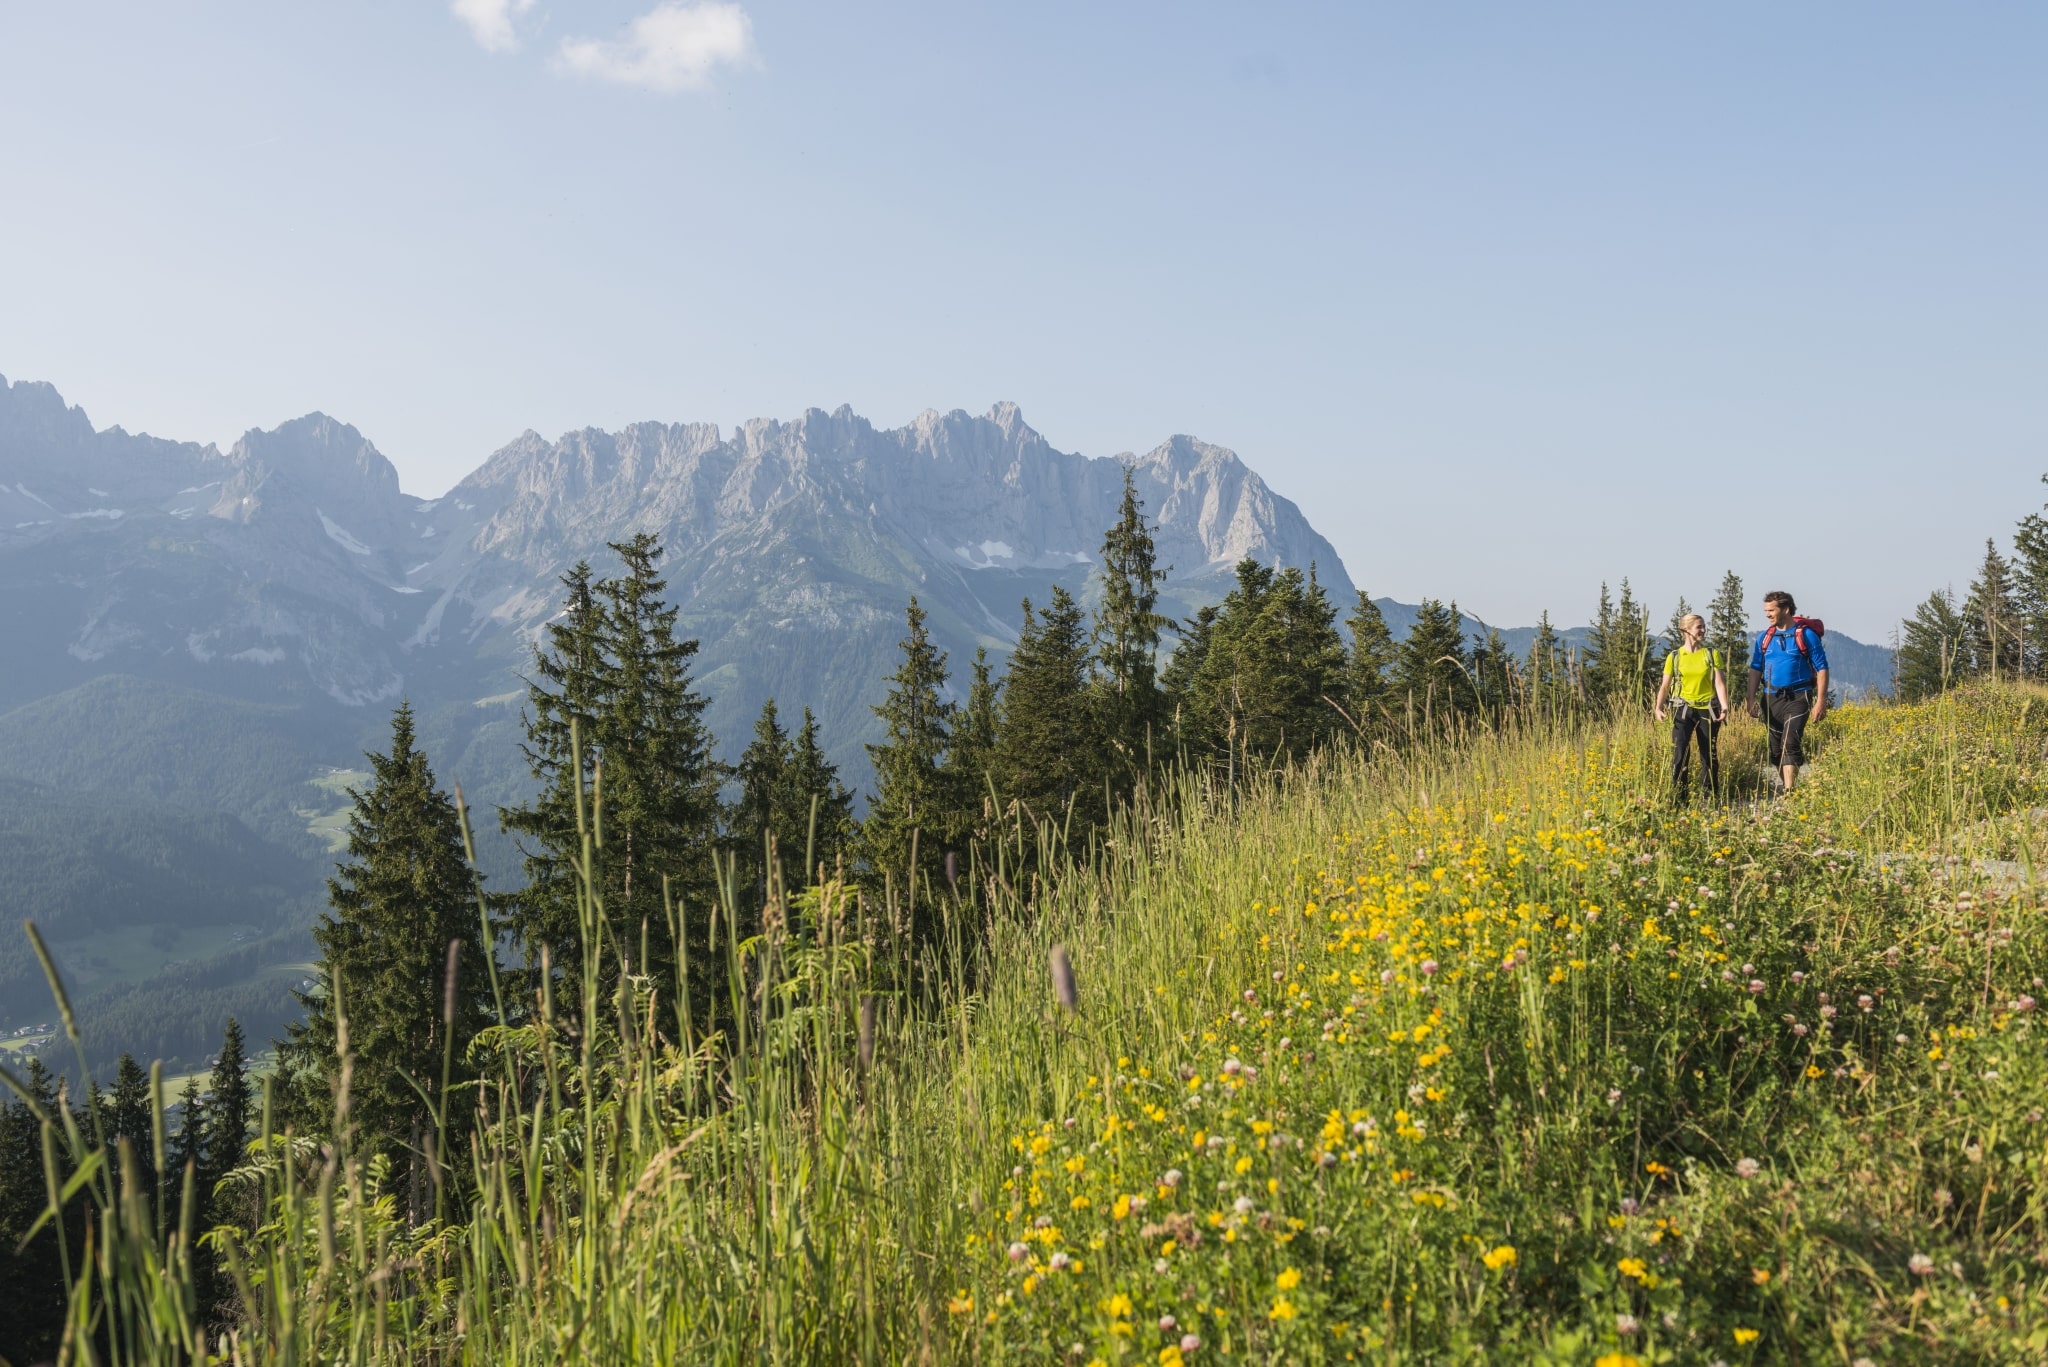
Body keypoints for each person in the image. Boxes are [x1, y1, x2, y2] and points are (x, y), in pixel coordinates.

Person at [1745, 589, 1828, 794]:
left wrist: (1821, 701)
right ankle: (1787, 784)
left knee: (1790, 741)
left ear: (1786, 609)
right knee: (1775, 750)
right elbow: (1755, 669)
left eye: (1771, 610)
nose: (1767, 614)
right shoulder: (1764, 638)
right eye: (1766, 610)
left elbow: (1822, 667)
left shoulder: (1806, 635)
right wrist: (1750, 699)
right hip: (1770, 696)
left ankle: (1790, 792)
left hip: (1799, 695)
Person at [1653, 612, 1729, 802]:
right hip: (1683, 709)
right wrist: (1658, 707)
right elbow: (1665, 685)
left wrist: (1725, 707)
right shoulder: (1675, 656)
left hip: (1708, 709)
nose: (1703, 630)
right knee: (1680, 753)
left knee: (1708, 756)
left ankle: (1709, 799)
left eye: (1704, 626)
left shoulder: (1711, 654)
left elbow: (1719, 683)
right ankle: (1680, 798)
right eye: (1699, 627)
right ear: (1686, 630)